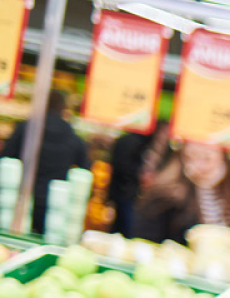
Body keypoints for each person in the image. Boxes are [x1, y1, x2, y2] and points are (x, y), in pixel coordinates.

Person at [0, 89, 91, 235]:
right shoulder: (73, 136)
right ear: (63, 107)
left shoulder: (27, 128)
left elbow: (6, 158)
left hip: (21, 200)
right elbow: (85, 171)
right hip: (57, 206)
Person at [133, 141, 230, 244]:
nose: (199, 166)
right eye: (190, 158)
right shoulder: (164, 198)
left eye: (206, 158)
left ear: (222, 157)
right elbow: (145, 243)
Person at [105, 122, 169, 237]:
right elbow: (126, 168)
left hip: (121, 192)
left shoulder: (126, 140)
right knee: (126, 229)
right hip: (129, 194)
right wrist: (140, 176)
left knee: (118, 227)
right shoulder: (138, 143)